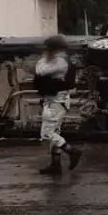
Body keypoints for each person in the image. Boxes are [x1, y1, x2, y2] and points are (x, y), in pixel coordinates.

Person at [34, 35, 83, 175]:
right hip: (55, 101)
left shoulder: (60, 62)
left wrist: (43, 59)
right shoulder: (59, 60)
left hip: (56, 102)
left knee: (47, 133)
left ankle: (71, 151)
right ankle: (55, 164)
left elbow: (40, 70)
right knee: (55, 132)